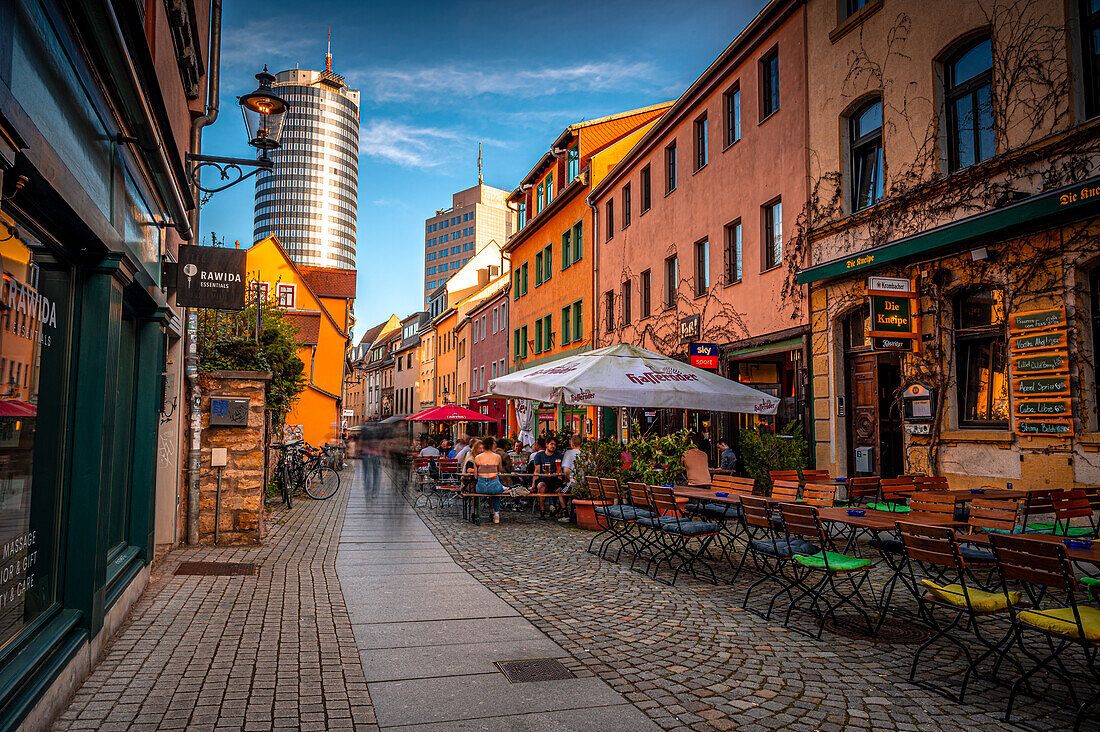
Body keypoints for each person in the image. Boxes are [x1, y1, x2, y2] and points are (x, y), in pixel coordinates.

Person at [472, 436, 506, 523]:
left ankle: (476, 513)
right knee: (497, 492)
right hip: (494, 485)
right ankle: (496, 514)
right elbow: (500, 471)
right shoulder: (497, 457)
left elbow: (476, 476)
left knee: (493, 490)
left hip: (481, 487)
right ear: (492, 446)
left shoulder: (477, 458)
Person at [532, 436, 564, 516]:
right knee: (541, 486)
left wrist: (561, 480)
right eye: (551, 444)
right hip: (543, 479)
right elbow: (537, 471)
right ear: (546, 445)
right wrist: (533, 484)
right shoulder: (539, 455)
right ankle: (542, 511)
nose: (553, 446)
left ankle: (563, 510)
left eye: (555, 445)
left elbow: (559, 469)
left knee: (561, 489)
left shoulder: (558, 455)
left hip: (554, 479)